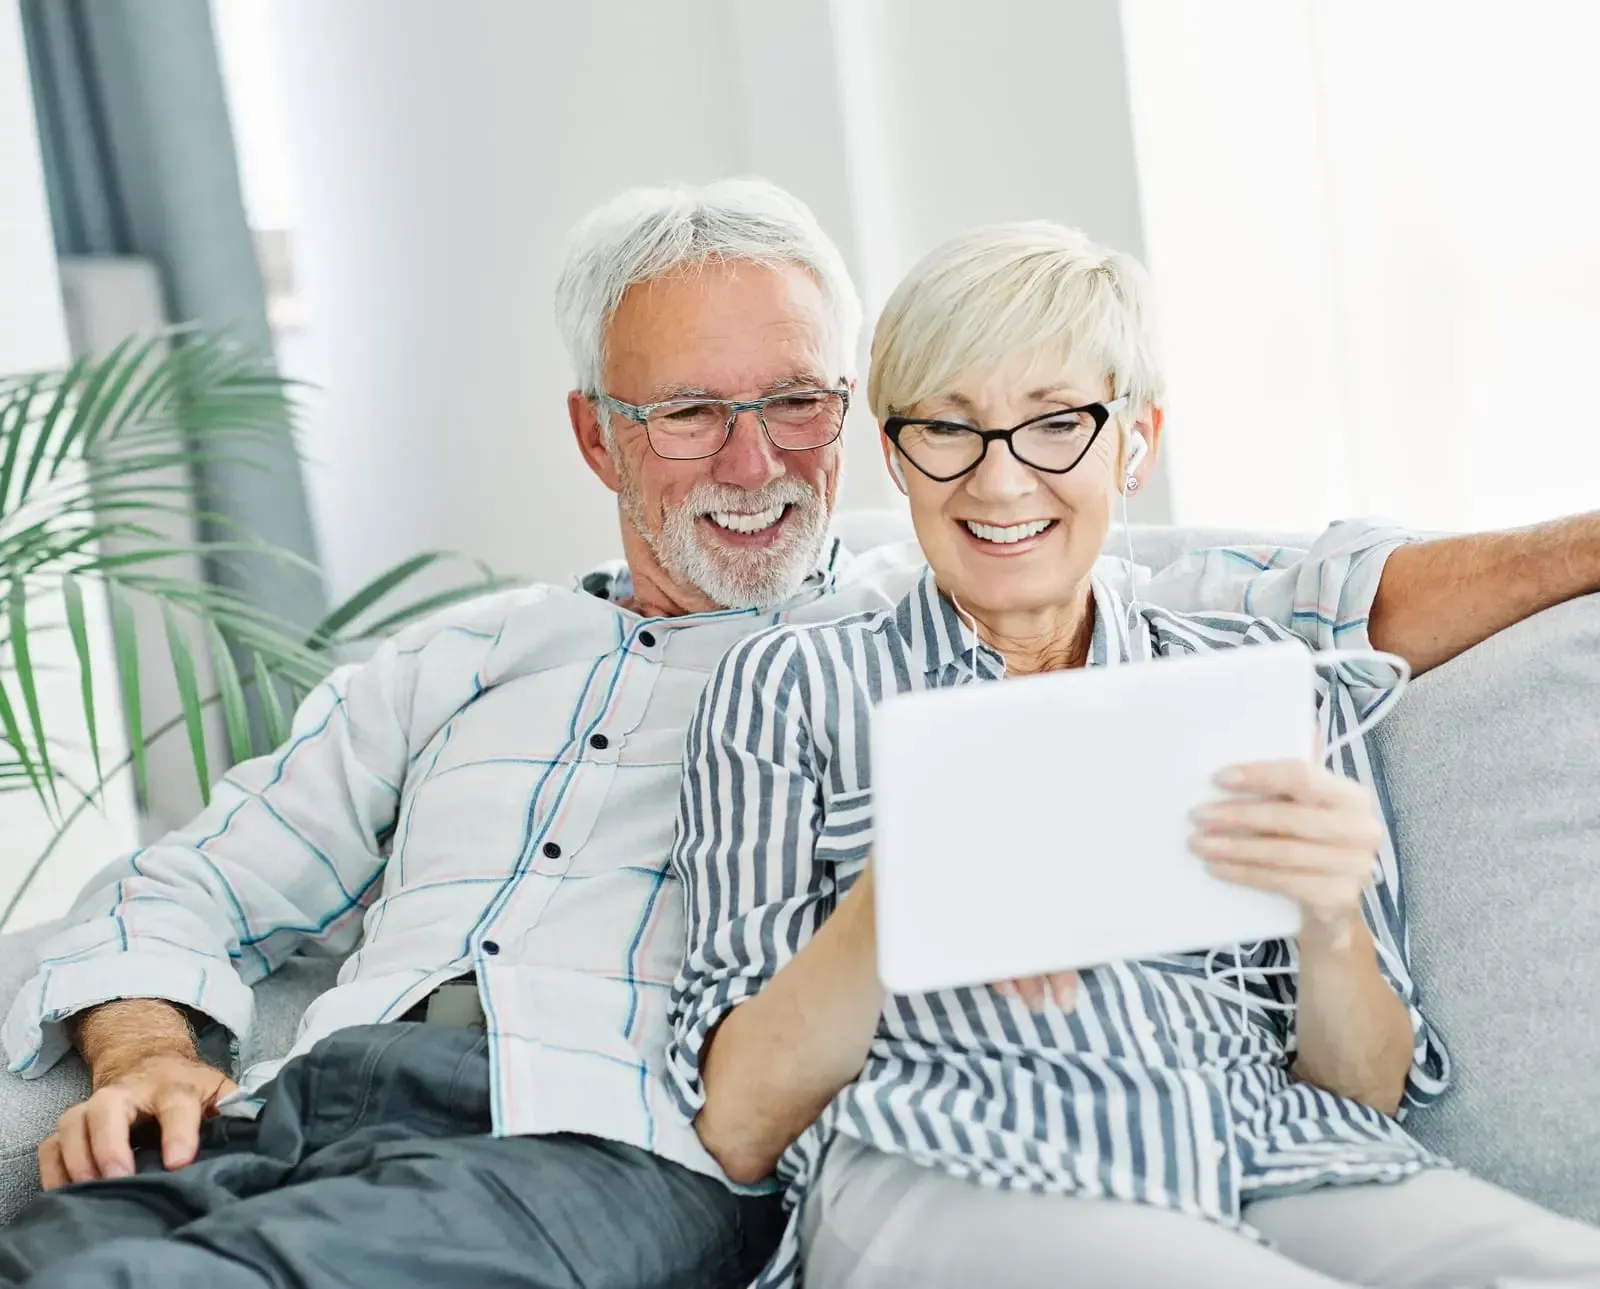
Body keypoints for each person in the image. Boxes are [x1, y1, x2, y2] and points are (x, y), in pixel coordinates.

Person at [0, 181, 1596, 1288]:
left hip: (592, 1135)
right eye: (688, 413)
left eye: (799, 402)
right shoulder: (451, 664)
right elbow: (184, 882)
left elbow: (1310, 587)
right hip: (325, 1100)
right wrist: (147, 1050)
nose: (752, 459)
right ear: (595, 435)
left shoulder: (969, 582)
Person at [665, 220, 1600, 1288]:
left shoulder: (1253, 675)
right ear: (895, 454)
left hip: (1278, 1152)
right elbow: (737, 1123)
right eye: (949, 429)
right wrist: (900, 898)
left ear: (1135, 443)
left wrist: (1330, 915)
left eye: (1055, 422)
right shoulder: (789, 688)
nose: (1001, 480)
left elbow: (1363, 1091)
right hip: (955, 1161)